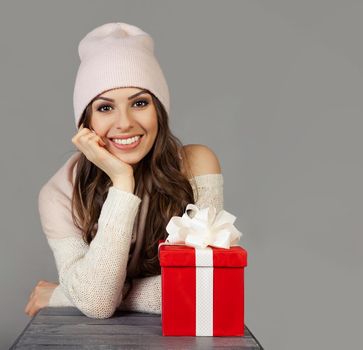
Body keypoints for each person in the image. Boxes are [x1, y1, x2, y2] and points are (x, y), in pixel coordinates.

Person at [24, 22, 224, 318]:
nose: (124, 123)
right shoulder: (58, 194)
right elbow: (97, 303)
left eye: (139, 103)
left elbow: (206, 289)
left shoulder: (195, 166)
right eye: (105, 108)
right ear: (86, 122)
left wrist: (66, 294)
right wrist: (121, 181)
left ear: (159, 110)